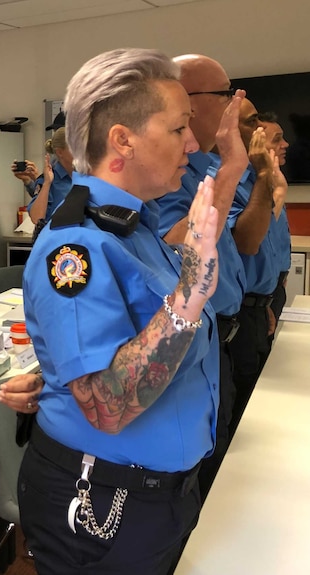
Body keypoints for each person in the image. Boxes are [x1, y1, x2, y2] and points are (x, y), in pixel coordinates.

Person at [19, 48, 220, 575]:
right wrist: (192, 290)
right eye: (179, 129)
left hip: (158, 493)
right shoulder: (77, 249)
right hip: (104, 501)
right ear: (122, 140)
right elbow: (107, 405)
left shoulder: (136, 228)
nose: (194, 144)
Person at [156, 53, 249, 500]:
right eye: (225, 95)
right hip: (187, 349)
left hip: (222, 336)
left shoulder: (205, 163)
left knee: (221, 469)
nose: (233, 105)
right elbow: (175, 244)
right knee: (202, 485)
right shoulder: (167, 172)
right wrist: (232, 168)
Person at [223, 98, 283, 435]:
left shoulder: (251, 176)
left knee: (251, 404)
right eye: (251, 121)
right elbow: (247, 243)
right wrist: (264, 177)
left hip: (254, 306)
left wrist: (266, 300)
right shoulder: (227, 177)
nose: (259, 130)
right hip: (236, 315)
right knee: (236, 421)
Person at [258, 112, 291, 325]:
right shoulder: (253, 191)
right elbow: (257, 239)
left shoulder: (275, 180)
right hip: (258, 298)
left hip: (275, 289)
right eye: (277, 139)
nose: (285, 144)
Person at [26, 127, 74, 224]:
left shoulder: (85, 176)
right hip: (57, 237)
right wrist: (47, 183)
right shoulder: (48, 179)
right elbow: (36, 218)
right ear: (60, 152)